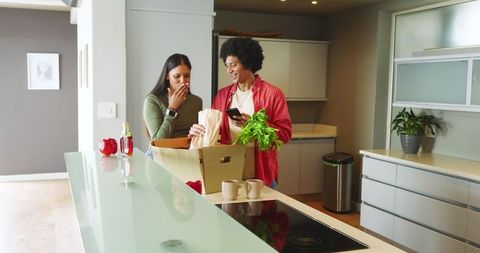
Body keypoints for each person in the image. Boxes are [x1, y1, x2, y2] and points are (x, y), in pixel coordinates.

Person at [189, 37, 292, 187]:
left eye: (233, 65)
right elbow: (213, 134)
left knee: (264, 211)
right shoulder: (222, 95)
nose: (229, 70)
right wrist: (198, 130)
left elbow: (284, 134)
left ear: (247, 62)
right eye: (227, 65)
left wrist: (253, 124)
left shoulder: (272, 94)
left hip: (260, 173)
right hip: (227, 171)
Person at [143, 53, 202, 157]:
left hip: (188, 154)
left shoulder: (196, 101)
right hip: (160, 155)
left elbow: (198, 137)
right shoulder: (152, 100)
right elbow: (158, 143)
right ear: (167, 76)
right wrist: (172, 109)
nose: (183, 81)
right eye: (177, 76)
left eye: (187, 76)